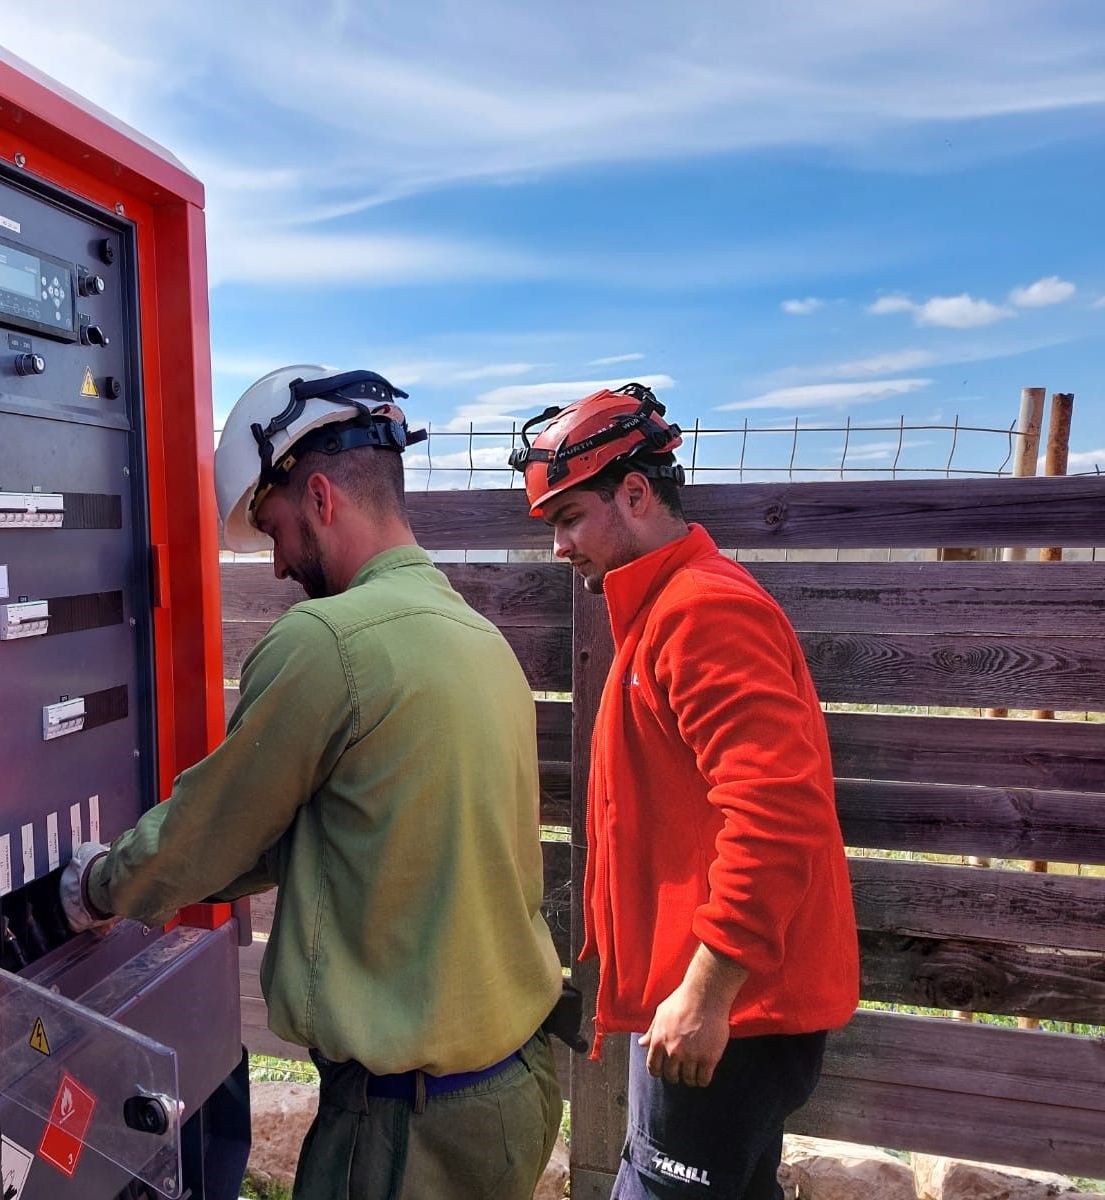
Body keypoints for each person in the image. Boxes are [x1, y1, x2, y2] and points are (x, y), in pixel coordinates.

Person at [59, 364, 564, 1199]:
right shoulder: (474, 636)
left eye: (276, 527)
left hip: (406, 1128)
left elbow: (208, 831)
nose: (279, 564)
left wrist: (92, 891)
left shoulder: (328, 641)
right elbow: (329, 836)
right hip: (513, 1093)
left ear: (321, 496)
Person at [509, 383, 859, 1200]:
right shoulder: (668, 607)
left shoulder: (702, 612)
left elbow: (779, 812)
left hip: (725, 1012)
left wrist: (707, 990)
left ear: (634, 493)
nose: (558, 548)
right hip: (716, 1006)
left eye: (567, 518)